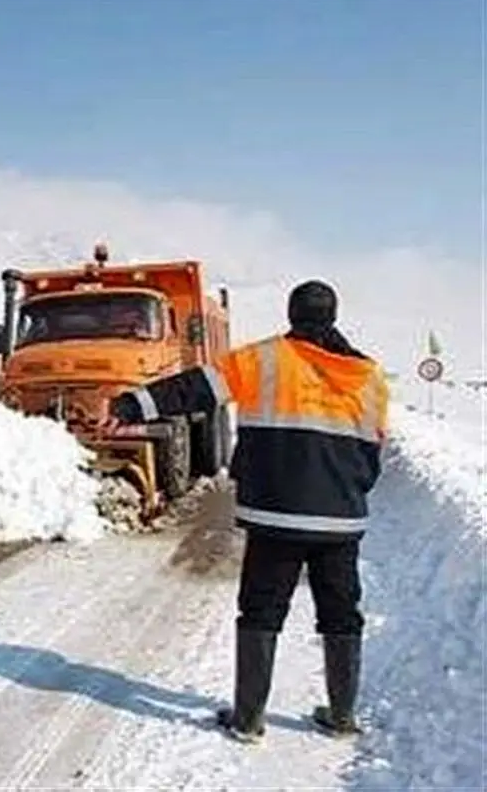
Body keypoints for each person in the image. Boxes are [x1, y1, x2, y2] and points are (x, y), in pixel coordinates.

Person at [106, 280, 389, 744]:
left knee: (261, 611)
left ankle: (249, 720)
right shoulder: (370, 376)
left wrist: (131, 403)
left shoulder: (265, 360)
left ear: (292, 314)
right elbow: (373, 450)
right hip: (341, 520)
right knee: (341, 614)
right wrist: (349, 492)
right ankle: (341, 717)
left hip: (276, 517)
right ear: (333, 316)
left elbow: (193, 389)